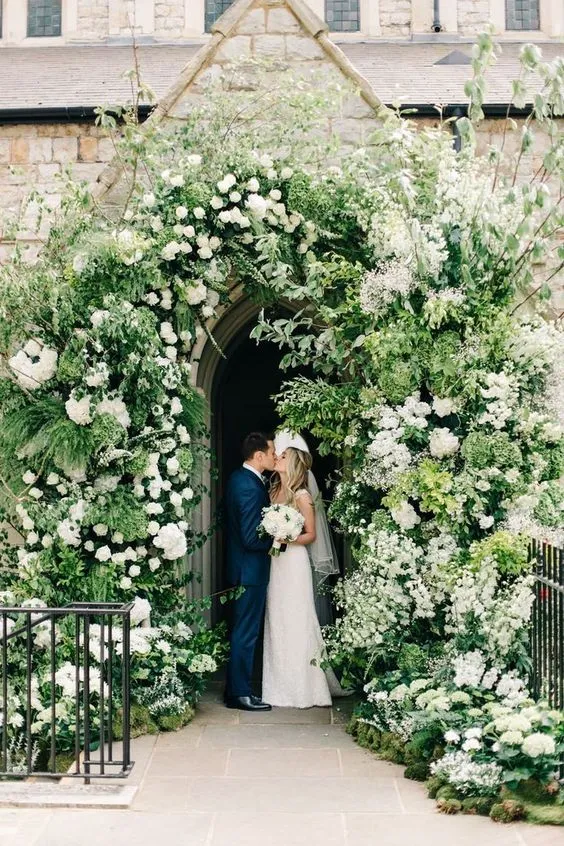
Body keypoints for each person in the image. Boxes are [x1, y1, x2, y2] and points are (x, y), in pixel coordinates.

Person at [262, 430, 340, 709]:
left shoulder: (303, 495)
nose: (277, 458)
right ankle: (277, 688)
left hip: (294, 565)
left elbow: (311, 535)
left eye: (282, 456)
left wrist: (286, 537)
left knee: (297, 620)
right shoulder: (273, 490)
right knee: (277, 621)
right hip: (276, 564)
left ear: (292, 461)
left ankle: (307, 690)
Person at [224, 432, 277, 711]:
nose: (274, 457)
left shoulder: (242, 479)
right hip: (249, 571)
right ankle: (240, 694)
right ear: (259, 456)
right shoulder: (247, 485)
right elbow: (249, 536)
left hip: (246, 570)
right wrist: (277, 537)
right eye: (271, 453)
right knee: (246, 632)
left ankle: (236, 689)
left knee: (243, 631)